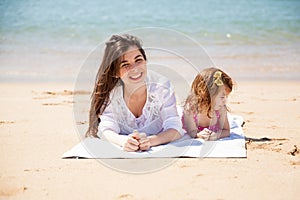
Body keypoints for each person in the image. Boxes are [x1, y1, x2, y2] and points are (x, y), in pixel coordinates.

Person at [85, 34, 184, 152]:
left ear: (145, 61)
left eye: (138, 60)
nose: (135, 68)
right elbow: (105, 129)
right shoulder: (111, 94)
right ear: (115, 72)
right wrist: (123, 141)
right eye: (125, 65)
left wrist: (151, 141)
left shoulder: (161, 87)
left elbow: (176, 128)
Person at [182, 67, 234, 141]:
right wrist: (198, 134)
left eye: (226, 96)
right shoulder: (191, 109)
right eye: (222, 97)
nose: (225, 101)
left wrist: (217, 135)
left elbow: (226, 131)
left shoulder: (221, 109)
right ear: (206, 94)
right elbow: (192, 131)